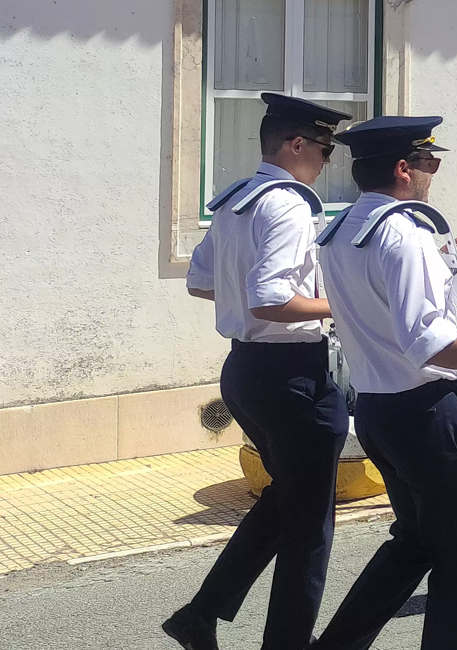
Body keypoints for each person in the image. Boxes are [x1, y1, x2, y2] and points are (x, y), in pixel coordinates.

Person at [308, 116, 457, 650]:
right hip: (428, 414)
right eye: (429, 162)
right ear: (403, 168)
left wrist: (445, 250)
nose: (432, 173)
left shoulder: (344, 230)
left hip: (377, 409)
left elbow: (382, 284)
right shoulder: (405, 236)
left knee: (416, 541)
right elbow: (430, 342)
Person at [167, 93, 353, 650]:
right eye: (323, 149)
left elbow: (201, 282)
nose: (327, 161)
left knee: (288, 500)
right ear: (296, 145)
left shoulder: (237, 200)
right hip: (293, 374)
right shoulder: (292, 205)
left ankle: (201, 613)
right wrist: (348, 306)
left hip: (245, 372)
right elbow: (273, 300)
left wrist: (246, 298)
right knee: (309, 526)